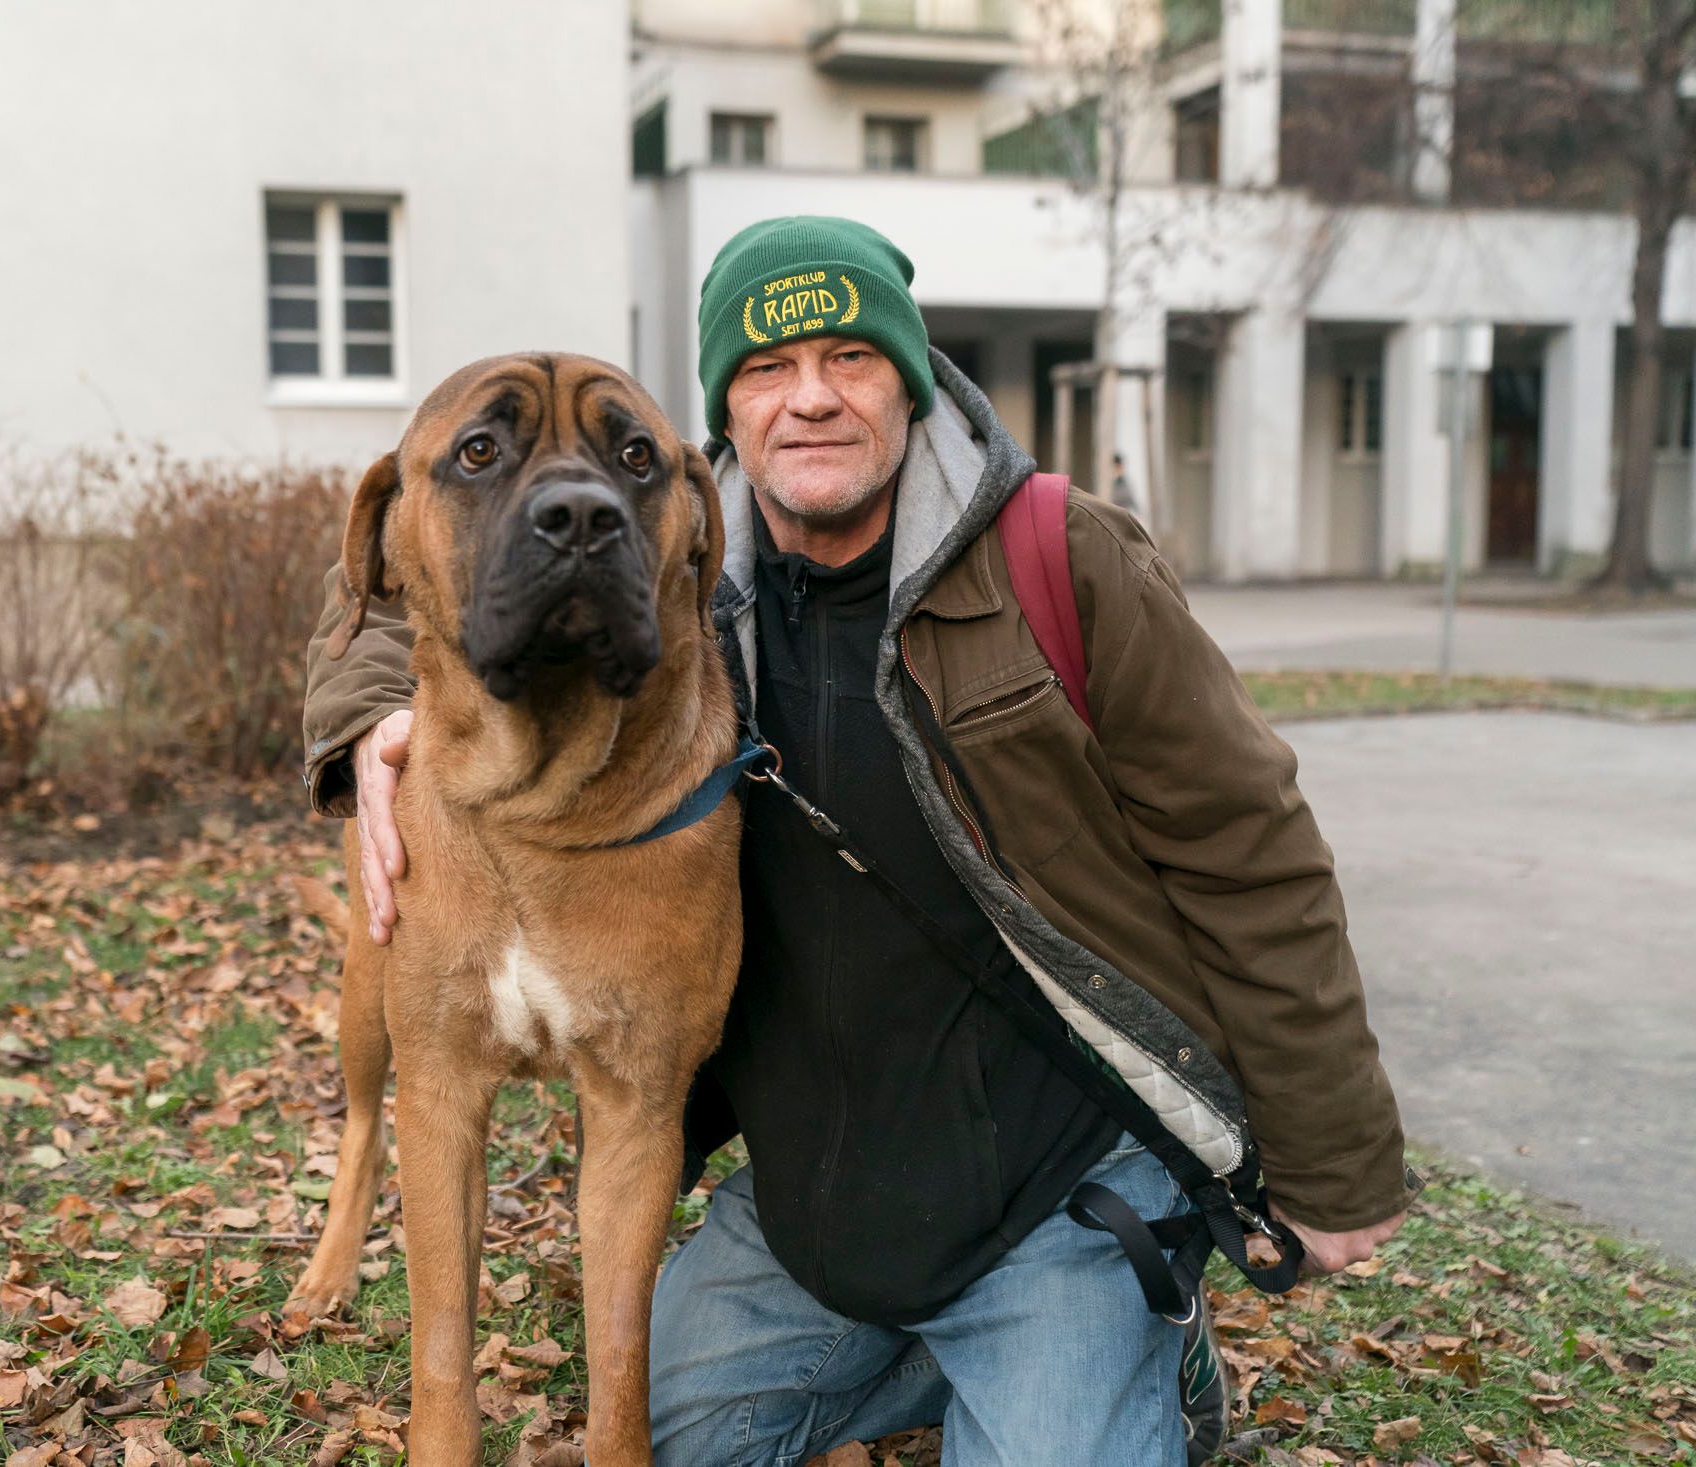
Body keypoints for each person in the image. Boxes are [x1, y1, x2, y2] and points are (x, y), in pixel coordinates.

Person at [302, 216, 1417, 1465]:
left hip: (1049, 1185)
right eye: (769, 370)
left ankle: (1135, 1333)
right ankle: (938, 1351)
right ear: (729, 411)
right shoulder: (692, 568)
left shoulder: (1062, 560)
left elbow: (1250, 851)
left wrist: (1336, 1163)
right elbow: (416, 588)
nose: (812, 399)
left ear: (912, 379)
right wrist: (363, 726)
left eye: (852, 359)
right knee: (693, 1443)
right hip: (818, 1199)